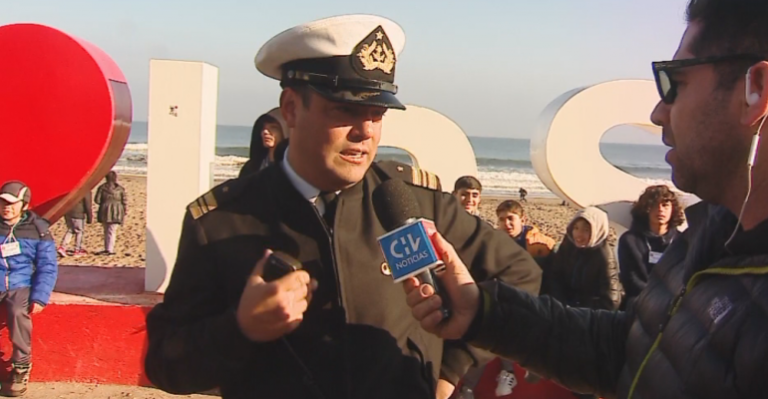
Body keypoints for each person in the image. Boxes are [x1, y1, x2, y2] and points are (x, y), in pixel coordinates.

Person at [144, 15, 542, 399]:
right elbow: (165, 364)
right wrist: (240, 328)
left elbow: (521, 275)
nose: (365, 131)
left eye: (377, 114)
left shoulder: (415, 203)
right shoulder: (219, 222)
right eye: (345, 110)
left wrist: (451, 368)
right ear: (290, 109)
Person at [403, 1, 768, 397]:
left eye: (672, 83)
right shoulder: (708, 232)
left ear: (757, 91)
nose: (659, 111)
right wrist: (482, 312)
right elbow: (629, 350)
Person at [0, 181, 58, 396]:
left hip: (21, 284)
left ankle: (21, 367)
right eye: (2, 203)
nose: (6, 207)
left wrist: (40, 297)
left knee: (17, 313)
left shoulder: (38, 230)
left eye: (12, 204)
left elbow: (48, 266)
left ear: (24, 205)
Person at [545, 207, 623, 312]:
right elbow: (555, 275)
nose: (579, 235)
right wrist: (560, 303)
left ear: (598, 230)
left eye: (586, 230)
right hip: (564, 306)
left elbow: (611, 301)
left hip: (587, 313)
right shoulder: (569, 244)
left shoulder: (604, 256)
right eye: (576, 228)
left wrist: (577, 307)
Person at [618, 185, 685, 307]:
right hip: (639, 303)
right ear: (645, 209)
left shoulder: (683, 241)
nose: (660, 210)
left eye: (665, 205)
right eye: (654, 205)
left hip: (673, 305)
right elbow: (631, 281)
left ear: (673, 209)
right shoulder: (629, 240)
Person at [238, 108, 289, 177]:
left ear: (284, 130)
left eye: (273, 127)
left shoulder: (291, 169)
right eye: (263, 128)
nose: (265, 132)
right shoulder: (251, 167)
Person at [94, 171, 126, 256]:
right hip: (117, 211)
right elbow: (124, 201)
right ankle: (109, 249)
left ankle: (108, 249)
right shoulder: (120, 189)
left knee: (106, 230)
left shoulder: (102, 188)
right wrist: (124, 212)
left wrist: (105, 202)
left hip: (105, 210)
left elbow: (97, 200)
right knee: (112, 231)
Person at [57, 190, 93, 257]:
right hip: (78, 214)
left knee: (70, 230)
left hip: (68, 212)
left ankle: (62, 247)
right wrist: (89, 217)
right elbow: (87, 205)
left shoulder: (74, 188)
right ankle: (77, 250)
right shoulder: (86, 191)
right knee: (79, 232)